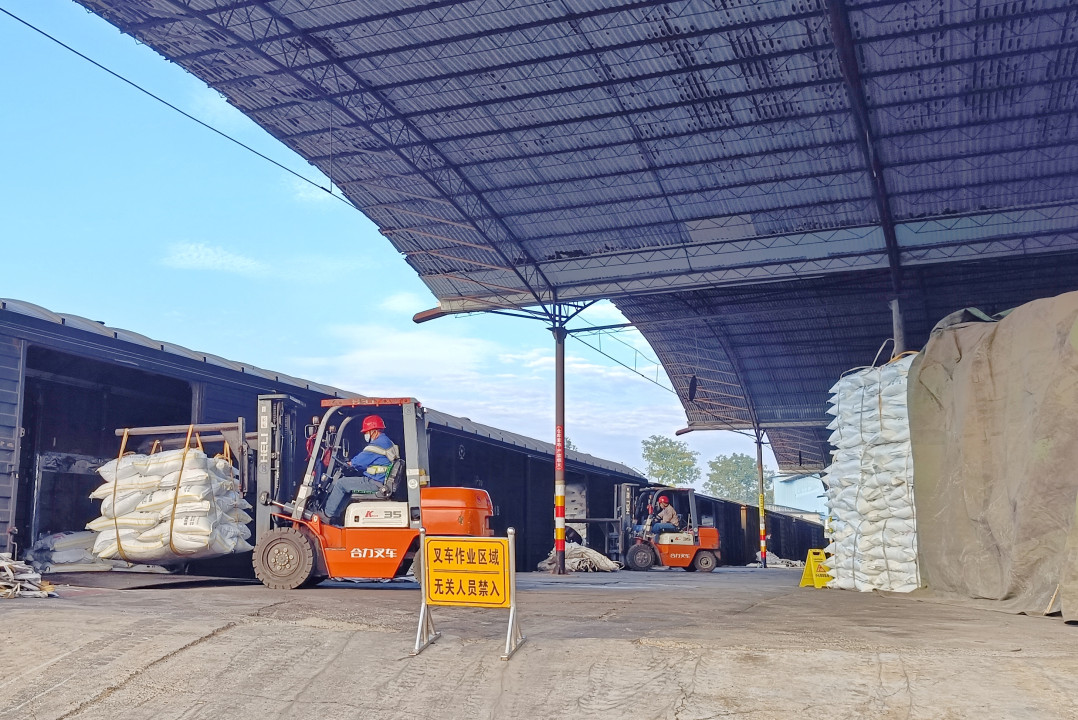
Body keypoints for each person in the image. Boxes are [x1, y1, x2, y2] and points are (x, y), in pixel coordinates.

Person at [321, 415, 399, 522]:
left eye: (366, 432)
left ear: (374, 431)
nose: (365, 435)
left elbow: (358, 462)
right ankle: (335, 517)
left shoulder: (376, 445)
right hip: (380, 481)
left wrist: (350, 463)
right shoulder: (387, 442)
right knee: (347, 486)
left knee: (340, 484)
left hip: (375, 483)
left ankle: (326, 515)